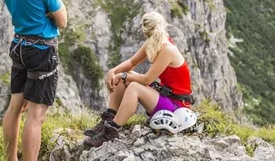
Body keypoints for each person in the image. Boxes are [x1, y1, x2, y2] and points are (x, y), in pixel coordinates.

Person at [2, 0, 67, 161]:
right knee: (36, 114)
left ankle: (11, 158)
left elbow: (18, 9)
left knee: (15, 107)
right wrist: (47, 14)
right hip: (40, 50)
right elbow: (63, 20)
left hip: (19, 44)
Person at [83, 11, 193, 148]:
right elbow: (132, 62)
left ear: (144, 30)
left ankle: (111, 130)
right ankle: (108, 118)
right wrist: (113, 71)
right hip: (166, 96)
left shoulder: (168, 50)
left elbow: (146, 80)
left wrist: (122, 75)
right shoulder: (155, 41)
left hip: (177, 107)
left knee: (134, 86)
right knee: (126, 75)